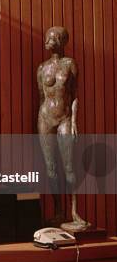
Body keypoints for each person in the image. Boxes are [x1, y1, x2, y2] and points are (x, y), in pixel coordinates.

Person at [37, 26, 89, 231]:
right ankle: (58, 212)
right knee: (51, 168)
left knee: (69, 167)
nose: (48, 41)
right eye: (47, 38)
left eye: (52, 38)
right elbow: (41, 97)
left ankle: (75, 212)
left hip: (65, 118)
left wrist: (74, 121)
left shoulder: (70, 64)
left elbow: (74, 95)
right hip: (45, 118)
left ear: (61, 40)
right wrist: (41, 120)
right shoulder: (42, 68)